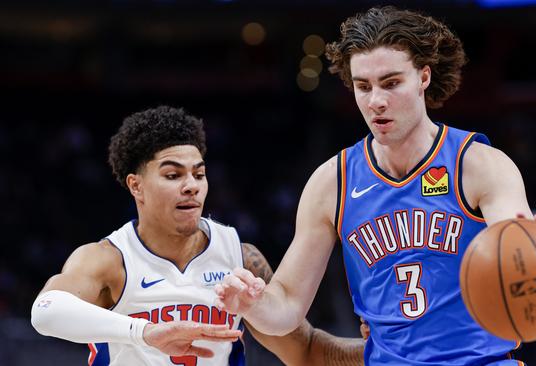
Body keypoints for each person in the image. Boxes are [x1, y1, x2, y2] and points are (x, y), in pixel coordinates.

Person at [215, 6, 536, 365]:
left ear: (423, 77)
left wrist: (533, 251)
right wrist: (254, 305)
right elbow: (287, 305)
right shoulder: (332, 182)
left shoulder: (478, 165)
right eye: (363, 86)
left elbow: (514, 235)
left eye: (391, 83)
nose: (375, 101)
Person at [30, 106, 364, 365]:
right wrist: (145, 333)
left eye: (199, 173)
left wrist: (387, 350)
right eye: (173, 174)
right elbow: (45, 311)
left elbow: (306, 351)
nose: (191, 185)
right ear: (136, 185)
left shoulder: (240, 258)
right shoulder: (109, 259)